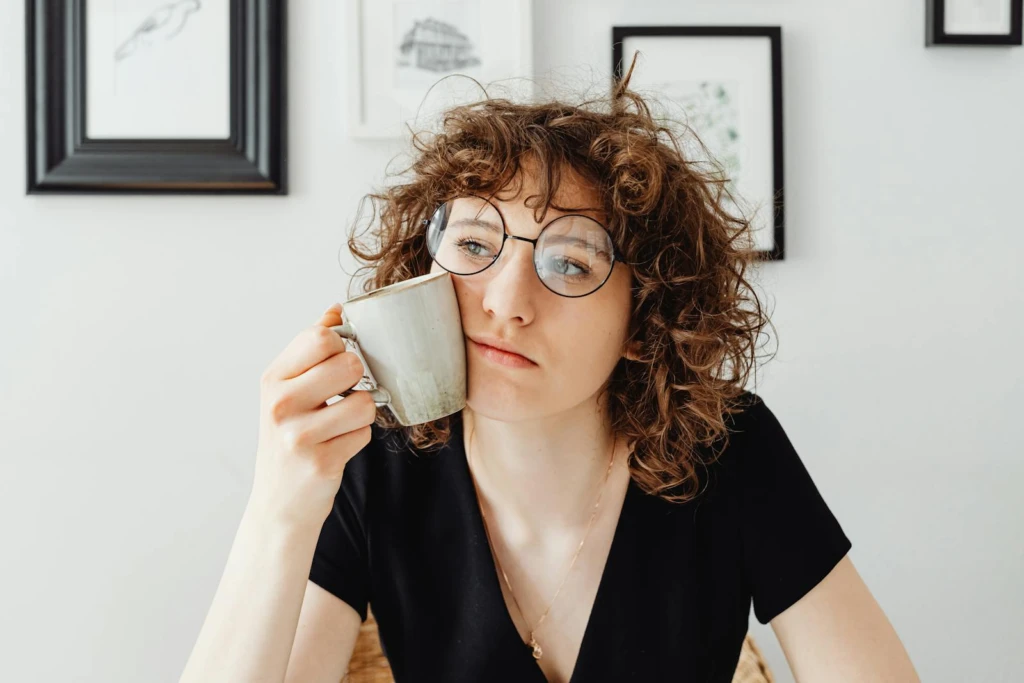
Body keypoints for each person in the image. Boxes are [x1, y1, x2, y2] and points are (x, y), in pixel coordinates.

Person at [179, 56, 920, 683]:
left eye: (570, 261)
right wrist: (278, 512)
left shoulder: (727, 448)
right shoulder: (375, 460)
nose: (506, 302)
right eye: (474, 246)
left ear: (644, 319)